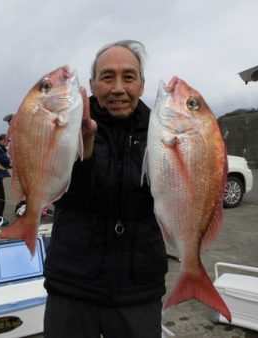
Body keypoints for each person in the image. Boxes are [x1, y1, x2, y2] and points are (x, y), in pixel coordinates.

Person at [43, 40, 168, 338]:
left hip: (138, 289)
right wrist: (84, 153)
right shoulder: (65, 124)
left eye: (128, 76)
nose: (118, 88)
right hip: (72, 285)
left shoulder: (162, 130)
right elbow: (57, 193)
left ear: (141, 84)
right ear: (92, 84)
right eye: (107, 77)